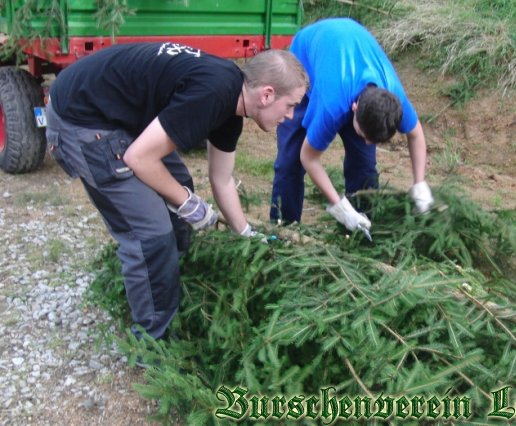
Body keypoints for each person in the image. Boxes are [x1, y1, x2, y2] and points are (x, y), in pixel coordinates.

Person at [45, 42, 308, 340]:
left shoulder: (233, 103)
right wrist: (188, 204)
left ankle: (172, 284)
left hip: (120, 114)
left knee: (179, 183)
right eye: (291, 105)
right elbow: (138, 159)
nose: (290, 116)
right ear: (267, 94)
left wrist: (245, 232)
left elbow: (221, 179)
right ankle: (151, 341)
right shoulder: (213, 93)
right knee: (150, 233)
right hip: (82, 117)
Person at [270, 18, 434, 232]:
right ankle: (284, 230)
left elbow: (415, 134)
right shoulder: (332, 105)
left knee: (364, 166)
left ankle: (362, 229)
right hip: (305, 59)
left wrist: (419, 183)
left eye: (373, 139)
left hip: (348, 53)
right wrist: (340, 207)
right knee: (290, 162)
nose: (367, 141)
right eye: (364, 134)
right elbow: (308, 157)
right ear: (354, 108)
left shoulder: (393, 98)